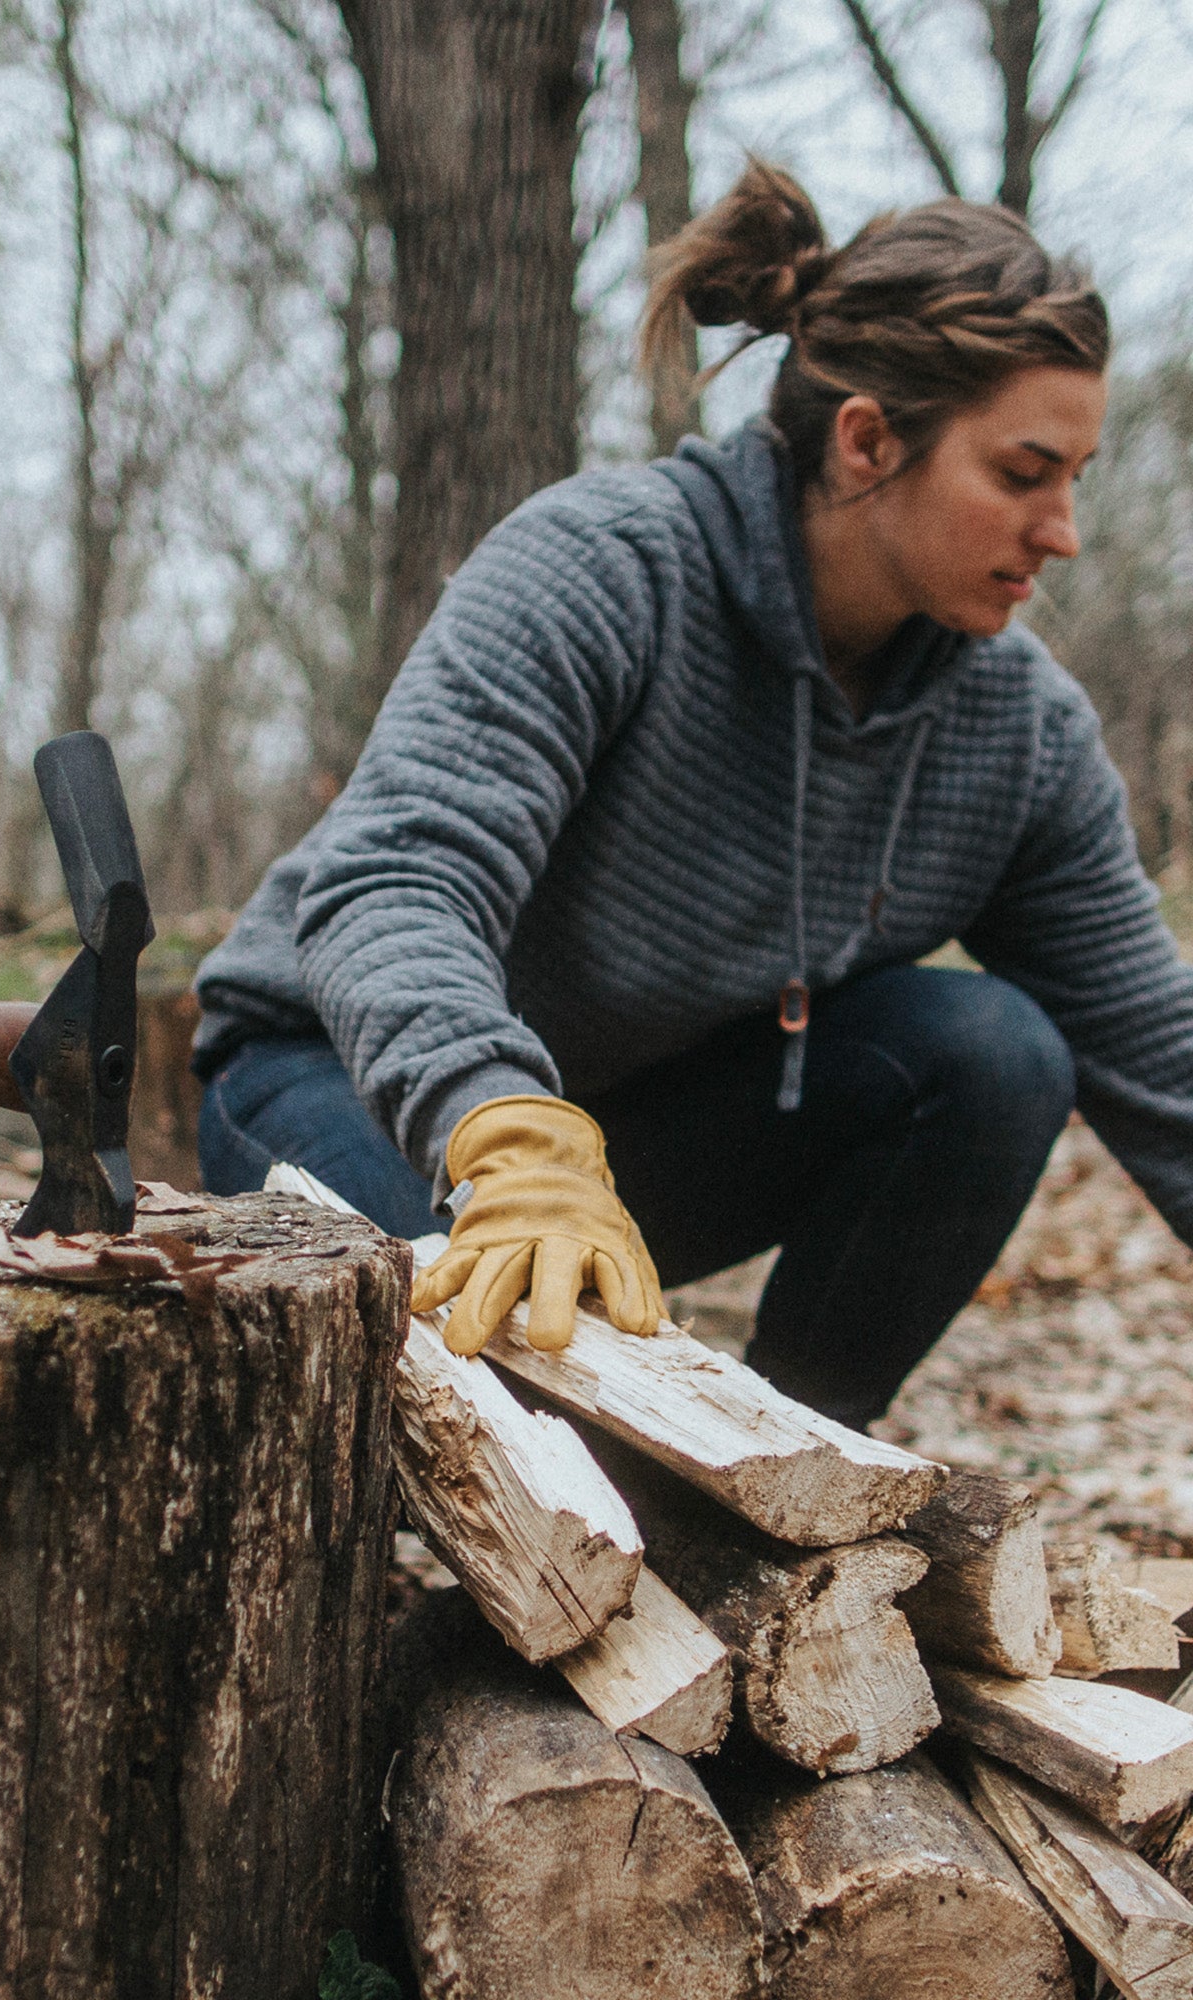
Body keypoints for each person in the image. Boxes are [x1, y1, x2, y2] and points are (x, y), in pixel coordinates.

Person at [189, 161, 1171, 1432]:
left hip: (612, 1131)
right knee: (518, 1417)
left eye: (1075, 475)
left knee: (989, 1054)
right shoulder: (604, 568)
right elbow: (393, 882)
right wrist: (505, 1132)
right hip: (340, 1078)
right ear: (866, 438)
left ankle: (774, 1485)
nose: (1063, 529)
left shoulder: (1016, 732)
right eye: (1023, 471)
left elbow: (1164, 1060)